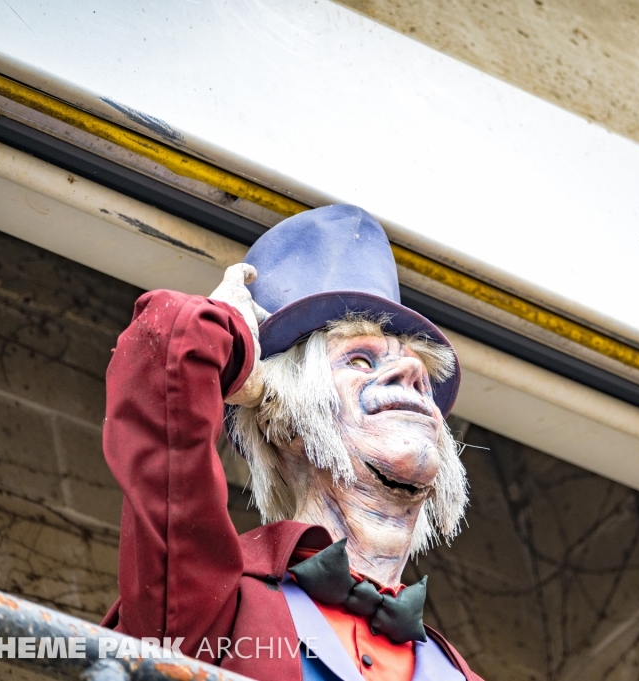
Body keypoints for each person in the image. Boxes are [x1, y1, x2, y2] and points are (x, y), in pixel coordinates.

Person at [100, 205, 482, 681]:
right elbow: (163, 348)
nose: (413, 374)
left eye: (421, 374)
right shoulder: (208, 605)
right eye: (360, 361)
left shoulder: (459, 674)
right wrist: (228, 335)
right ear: (285, 426)